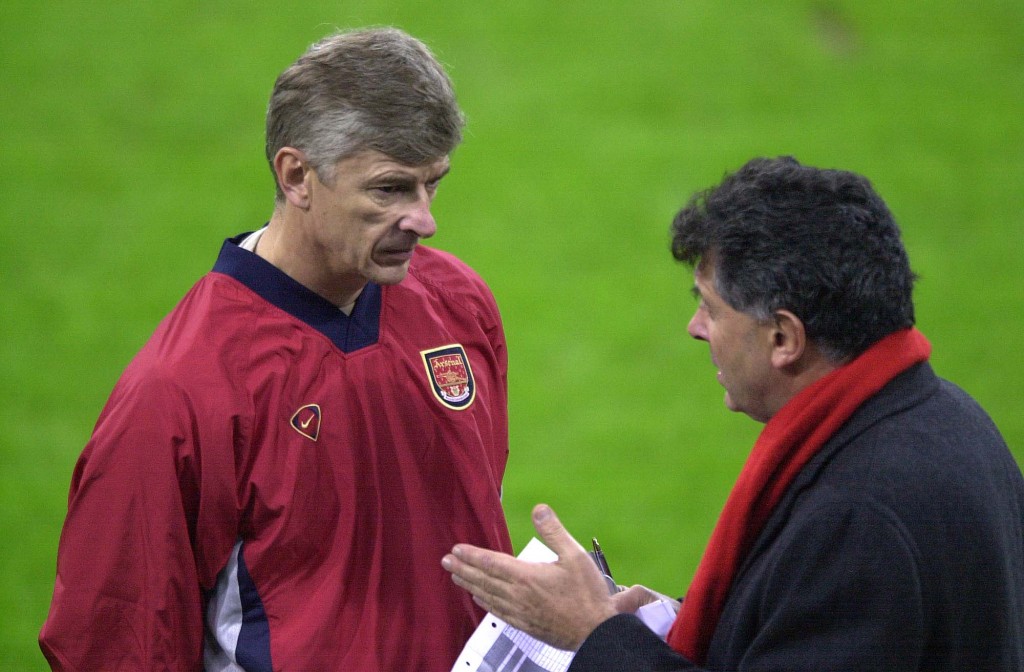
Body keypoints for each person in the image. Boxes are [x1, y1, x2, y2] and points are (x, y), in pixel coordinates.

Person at [40, 27, 513, 671]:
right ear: (296, 175)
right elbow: (115, 642)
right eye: (390, 189)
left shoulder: (459, 302)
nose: (424, 219)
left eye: (433, 184)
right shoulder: (178, 393)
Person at [442, 156, 1024, 670]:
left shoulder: (859, 518)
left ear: (783, 339)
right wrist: (674, 625)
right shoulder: (950, 419)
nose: (696, 329)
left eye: (711, 308)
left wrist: (596, 636)